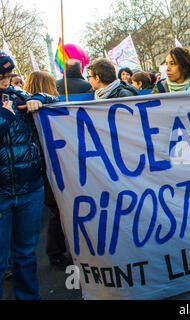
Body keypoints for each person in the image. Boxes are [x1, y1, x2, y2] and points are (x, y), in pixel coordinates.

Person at [0, 51, 58, 299]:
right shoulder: (8, 106)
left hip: (29, 190)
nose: (5, 81)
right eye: (1, 76)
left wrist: (38, 98)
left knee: (25, 254)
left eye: (8, 76)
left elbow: (54, 100)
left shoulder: (15, 95)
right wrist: (5, 115)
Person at [23, 71, 71, 268]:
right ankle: (56, 253)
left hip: (38, 170)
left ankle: (56, 252)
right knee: (56, 211)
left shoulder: (42, 105)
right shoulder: (31, 110)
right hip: (48, 169)